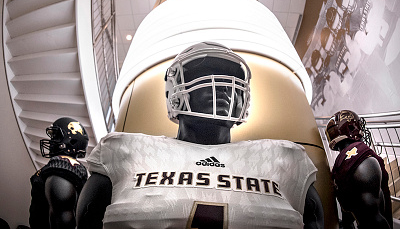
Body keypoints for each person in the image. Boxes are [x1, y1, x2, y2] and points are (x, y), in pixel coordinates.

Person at [77, 41, 324, 228]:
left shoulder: (283, 159)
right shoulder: (124, 152)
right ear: (174, 92)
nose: (225, 88)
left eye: (232, 81)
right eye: (206, 76)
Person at [325, 110, 393, 228]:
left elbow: (348, 209)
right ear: (351, 128)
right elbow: (375, 218)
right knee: (374, 214)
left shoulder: (339, 166)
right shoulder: (364, 159)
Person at [29, 117, 89, 229]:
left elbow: (62, 217)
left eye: (55, 136)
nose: (51, 141)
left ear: (71, 141)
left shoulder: (62, 165)